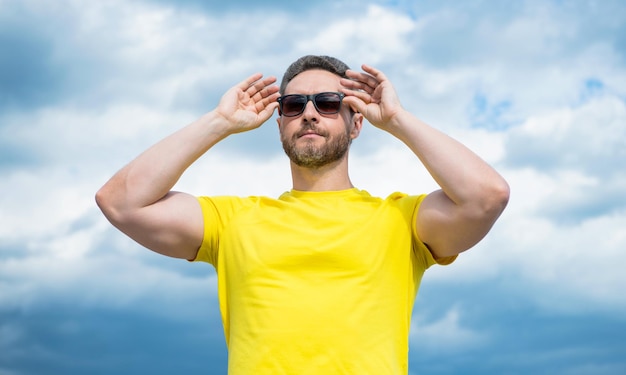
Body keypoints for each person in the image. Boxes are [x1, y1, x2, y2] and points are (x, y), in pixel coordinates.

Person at [96, 55, 510, 374]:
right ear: (279, 124)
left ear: (357, 123)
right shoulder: (233, 220)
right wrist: (218, 122)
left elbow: (487, 196)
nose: (309, 113)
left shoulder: (401, 220)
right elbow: (120, 202)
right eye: (294, 105)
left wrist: (399, 120)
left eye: (329, 103)